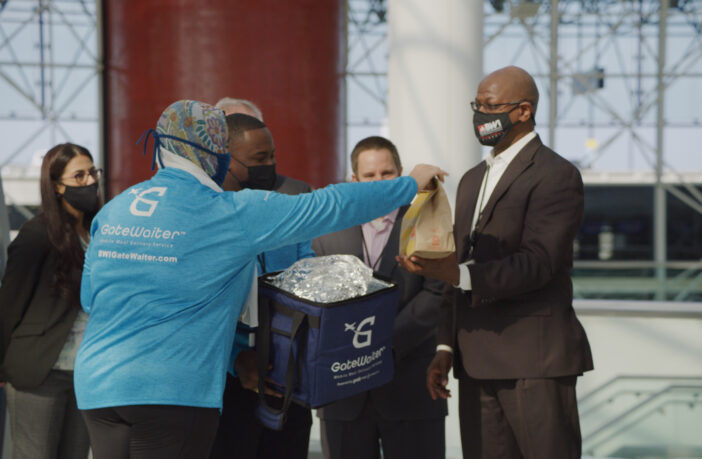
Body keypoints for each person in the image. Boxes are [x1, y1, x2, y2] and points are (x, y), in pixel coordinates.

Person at [74, 99, 445, 459]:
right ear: (214, 154)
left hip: (99, 388)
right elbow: (329, 205)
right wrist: (407, 185)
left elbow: (90, 297)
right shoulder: (226, 211)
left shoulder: (116, 208)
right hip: (172, 390)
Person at [397, 66, 594, 458]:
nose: (480, 115)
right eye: (477, 105)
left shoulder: (556, 175)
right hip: (474, 362)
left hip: (534, 361)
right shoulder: (472, 179)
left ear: (523, 111)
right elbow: (459, 263)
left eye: (490, 106)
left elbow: (539, 263)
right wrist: (445, 346)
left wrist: (457, 273)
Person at [312, 136, 448, 459]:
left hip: (411, 386)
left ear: (401, 174)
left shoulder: (426, 220)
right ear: (353, 180)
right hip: (343, 394)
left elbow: (438, 291)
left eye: (387, 173)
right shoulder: (326, 228)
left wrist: (382, 342)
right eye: (369, 175)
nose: (379, 181)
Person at [210, 113, 316, 459]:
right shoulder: (203, 217)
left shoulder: (287, 208)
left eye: (272, 156)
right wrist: (236, 360)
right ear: (226, 158)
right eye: (259, 159)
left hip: (287, 378)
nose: (270, 166)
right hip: (224, 386)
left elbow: (308, 275)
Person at [0, 143, 103, 459]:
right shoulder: (36, 234)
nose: (89, 181)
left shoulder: (99, 232)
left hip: (85, 373)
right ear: (57, 185)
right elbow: (9, 305)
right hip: (40, 370)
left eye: (92, 173)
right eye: (79, 176)